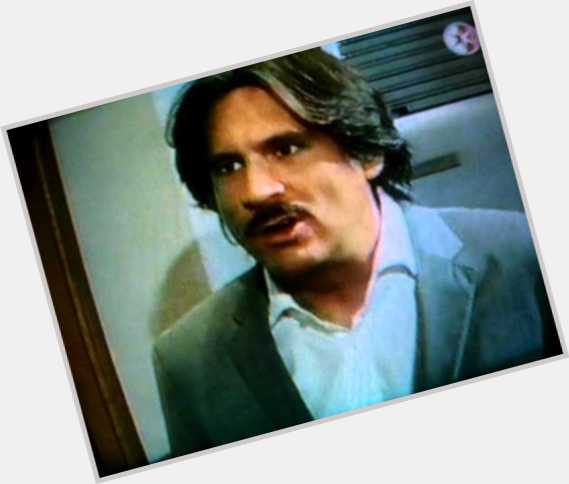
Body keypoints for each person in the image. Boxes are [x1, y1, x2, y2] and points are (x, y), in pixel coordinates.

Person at [153, 48, 560, 457]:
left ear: (366, 153)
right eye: (228, 167)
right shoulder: (188, 359)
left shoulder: (525, 256)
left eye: (286, 149)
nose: (256, 190)